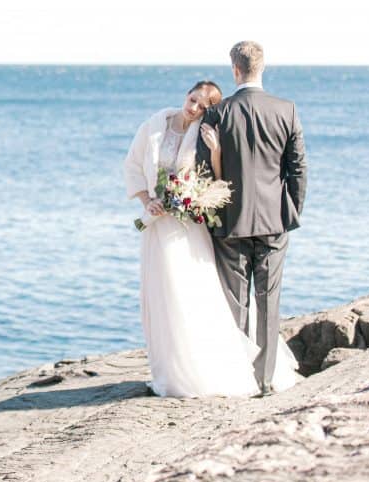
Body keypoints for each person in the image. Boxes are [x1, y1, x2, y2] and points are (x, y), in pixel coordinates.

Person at [124, 80, 299, 398]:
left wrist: (215, 151)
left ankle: (198, 370)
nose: (194, 109)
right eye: (192, 100)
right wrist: (146, 200)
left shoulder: (206, 131)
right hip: (156, 225)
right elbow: (134, 166)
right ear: (186, 94)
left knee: (186, 295)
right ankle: (167, 368)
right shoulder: (155, 124)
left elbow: (217, 181)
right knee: (158, 298)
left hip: (188, 227)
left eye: (203, 106)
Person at [196, 41, 307, 396]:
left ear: (235, 70)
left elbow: (203, 173)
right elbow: (298, 169)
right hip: (274, 221)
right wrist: (291, 211)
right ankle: (266, 379)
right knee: (269, 302)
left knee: (235, 303)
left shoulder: (218, 113)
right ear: (262, 68)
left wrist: (212, 216)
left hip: (230, 221)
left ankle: (238, 375)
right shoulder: (285, 110)